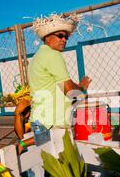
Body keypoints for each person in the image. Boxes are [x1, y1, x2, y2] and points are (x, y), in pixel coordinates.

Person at [29, 13, 91, 153]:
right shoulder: (53, 55)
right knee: (64, 168)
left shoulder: (36, 58)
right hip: (54, 123)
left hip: (40, 120)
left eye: (66, 36)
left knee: (45, 164)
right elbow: (69, 90)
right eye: (60, 36)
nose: (64, 40)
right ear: (47, 37)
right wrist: (82, 87)